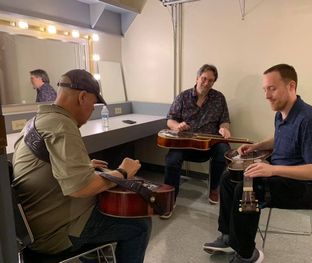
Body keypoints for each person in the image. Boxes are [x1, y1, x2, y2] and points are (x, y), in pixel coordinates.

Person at [13, 69, 151, 263]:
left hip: (30, 228)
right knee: (140, 224)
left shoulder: (36, 121)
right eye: (93, 104)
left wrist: (81, 165)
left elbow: (46, 166)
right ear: (83, 97)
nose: (92, 111)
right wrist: (122, 172)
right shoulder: (63, 126)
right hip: (55, 234)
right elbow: (80, 188)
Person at [203, 64, 312, 263]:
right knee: (230, 176)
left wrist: (271, 170)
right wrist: (258, 146)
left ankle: (247, 254)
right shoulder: (281, 114)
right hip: (282, 176)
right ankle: (228, 236)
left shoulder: (310, 120)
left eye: (272, 88)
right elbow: (281, 139)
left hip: (309, 188)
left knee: (247, 189)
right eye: (265, 89)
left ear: (291, 86)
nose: (267, 95)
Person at [163, 64, 231, 216]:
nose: (206, 83)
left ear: (214, 82)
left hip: (209, 143)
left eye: (211, 81)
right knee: (172, 160)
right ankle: (168, 197)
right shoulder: (183, 96)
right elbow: (170, 120)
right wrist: (177, 126)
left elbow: (224, 120)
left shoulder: (219, 98)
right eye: (204, 79)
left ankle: (215, 188)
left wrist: (224, 129)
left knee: (224, 152)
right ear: (197, 78)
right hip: (185, 142)